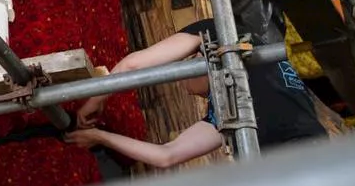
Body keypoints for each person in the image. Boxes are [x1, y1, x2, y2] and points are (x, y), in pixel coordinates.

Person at [66, 18, 326, 168]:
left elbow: (133, 65)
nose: (182, 82)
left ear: (199, 55)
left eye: (182, 69)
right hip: (297, 163)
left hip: (303, 158)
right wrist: (100, 137)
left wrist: (95, 98)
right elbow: (167, 155)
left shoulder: (225, 32)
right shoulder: (224, 110)